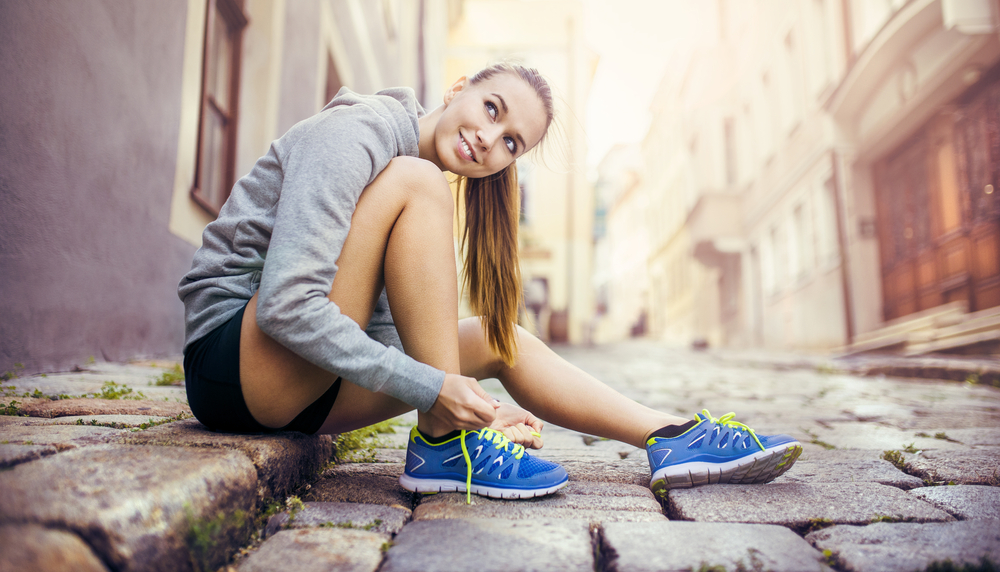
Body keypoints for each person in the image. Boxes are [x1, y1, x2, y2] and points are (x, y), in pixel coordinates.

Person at [178, 63, 802, 503]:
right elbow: (288, 306)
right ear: (457, 88)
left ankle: (673, 438)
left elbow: (383, 334)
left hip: (300, 387)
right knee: (417, 184)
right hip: (232, 366)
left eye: (510, 142)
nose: (489, 140)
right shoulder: (365, 135)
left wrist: (474, 404)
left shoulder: (411, 186)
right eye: (491, 109)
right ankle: (447, 445)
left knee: (504, 339)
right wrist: (438, 389)